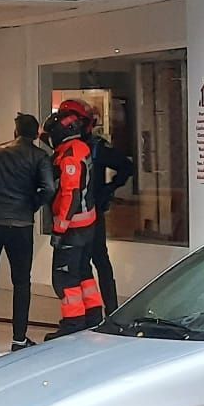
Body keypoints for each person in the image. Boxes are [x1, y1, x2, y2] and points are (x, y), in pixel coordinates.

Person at [0, 112, 56, 352]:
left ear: (15, 132)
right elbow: (49, 189)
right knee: (21, 282)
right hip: (20, 225)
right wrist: (31, 204)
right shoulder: (40, 157)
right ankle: (19, 338)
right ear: (35, 134)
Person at [44, 98, 106, 337]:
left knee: (64, 278)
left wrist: (59, 228)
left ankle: (72, 324)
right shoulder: (81, 148)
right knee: (83, 273)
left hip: (72, 227)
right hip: (87, 224)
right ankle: (93, 316)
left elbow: (70, 193)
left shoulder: (69, 155)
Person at [86, 127, 138, 316]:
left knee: (98, 261)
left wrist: (109, 188)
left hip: (90, 212)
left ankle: (109, 309)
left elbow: (126, 166)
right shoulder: (69, 144)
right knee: (90, 264)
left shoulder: (96, 147)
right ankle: (92, 313)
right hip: (76, 213)